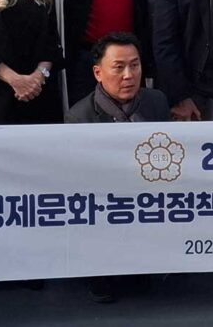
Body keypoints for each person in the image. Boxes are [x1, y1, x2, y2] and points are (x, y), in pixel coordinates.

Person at [65, 32, 170, 303]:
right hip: (105, 202)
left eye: (135, 65)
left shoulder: (156, 101)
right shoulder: (80, 117)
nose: (128, 75)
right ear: (98, 73)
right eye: (119, 67)